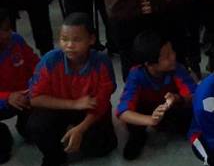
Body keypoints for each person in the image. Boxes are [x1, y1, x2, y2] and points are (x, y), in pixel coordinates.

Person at [27, 13, 118, 166]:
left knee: (101, 147)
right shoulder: (50, 60)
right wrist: (74, 104)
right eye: (64, 39)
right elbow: (35, 98)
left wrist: (81, 128)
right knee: (36, 126)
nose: (69, 45)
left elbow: (102, 101)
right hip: (61, 106)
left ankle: (76, 133)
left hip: (91, 109)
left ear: (91, 39)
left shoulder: (102, 62)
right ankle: (54, 156)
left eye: (76, 39)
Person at [117, 30, 196, 160]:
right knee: (133, 123)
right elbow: (123, 112)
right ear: (150, 64)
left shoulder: (176, 68)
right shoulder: (136, 74)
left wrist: (177, 98)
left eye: (172, 51)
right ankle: (138, 136)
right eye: (166, 56)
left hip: (169, 108)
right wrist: (150, 120)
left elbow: (193, 94)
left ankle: (166, 126)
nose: (173, 57)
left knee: (188, 117)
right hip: (146, 110)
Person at [0, 9, 39, 164]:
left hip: (26, 98)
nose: (8, 33)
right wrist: (7, 97)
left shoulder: (16, 40)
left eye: (8, 28)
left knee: (37, 132)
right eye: (3, 30)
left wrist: (35, 86)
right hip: (4, 101)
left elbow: (36, 65)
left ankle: (24, 124)